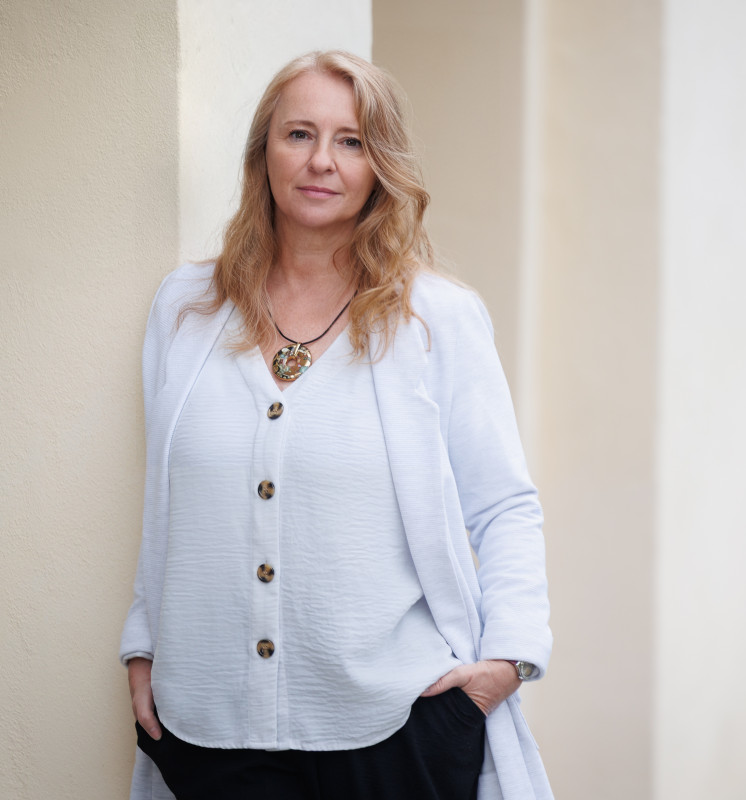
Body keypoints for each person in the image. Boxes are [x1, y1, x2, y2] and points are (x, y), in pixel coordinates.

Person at [121, 50, 553, 800]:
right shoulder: (186, 309)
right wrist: (144, 646)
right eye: (299, 134)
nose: (322, 160)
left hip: (395, 731)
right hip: (210, 731)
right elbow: (166, 499)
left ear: (380, 165)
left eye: (351, 141)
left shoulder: (435, 318)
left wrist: (505, 664)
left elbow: (503, 504)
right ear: (263, 152)